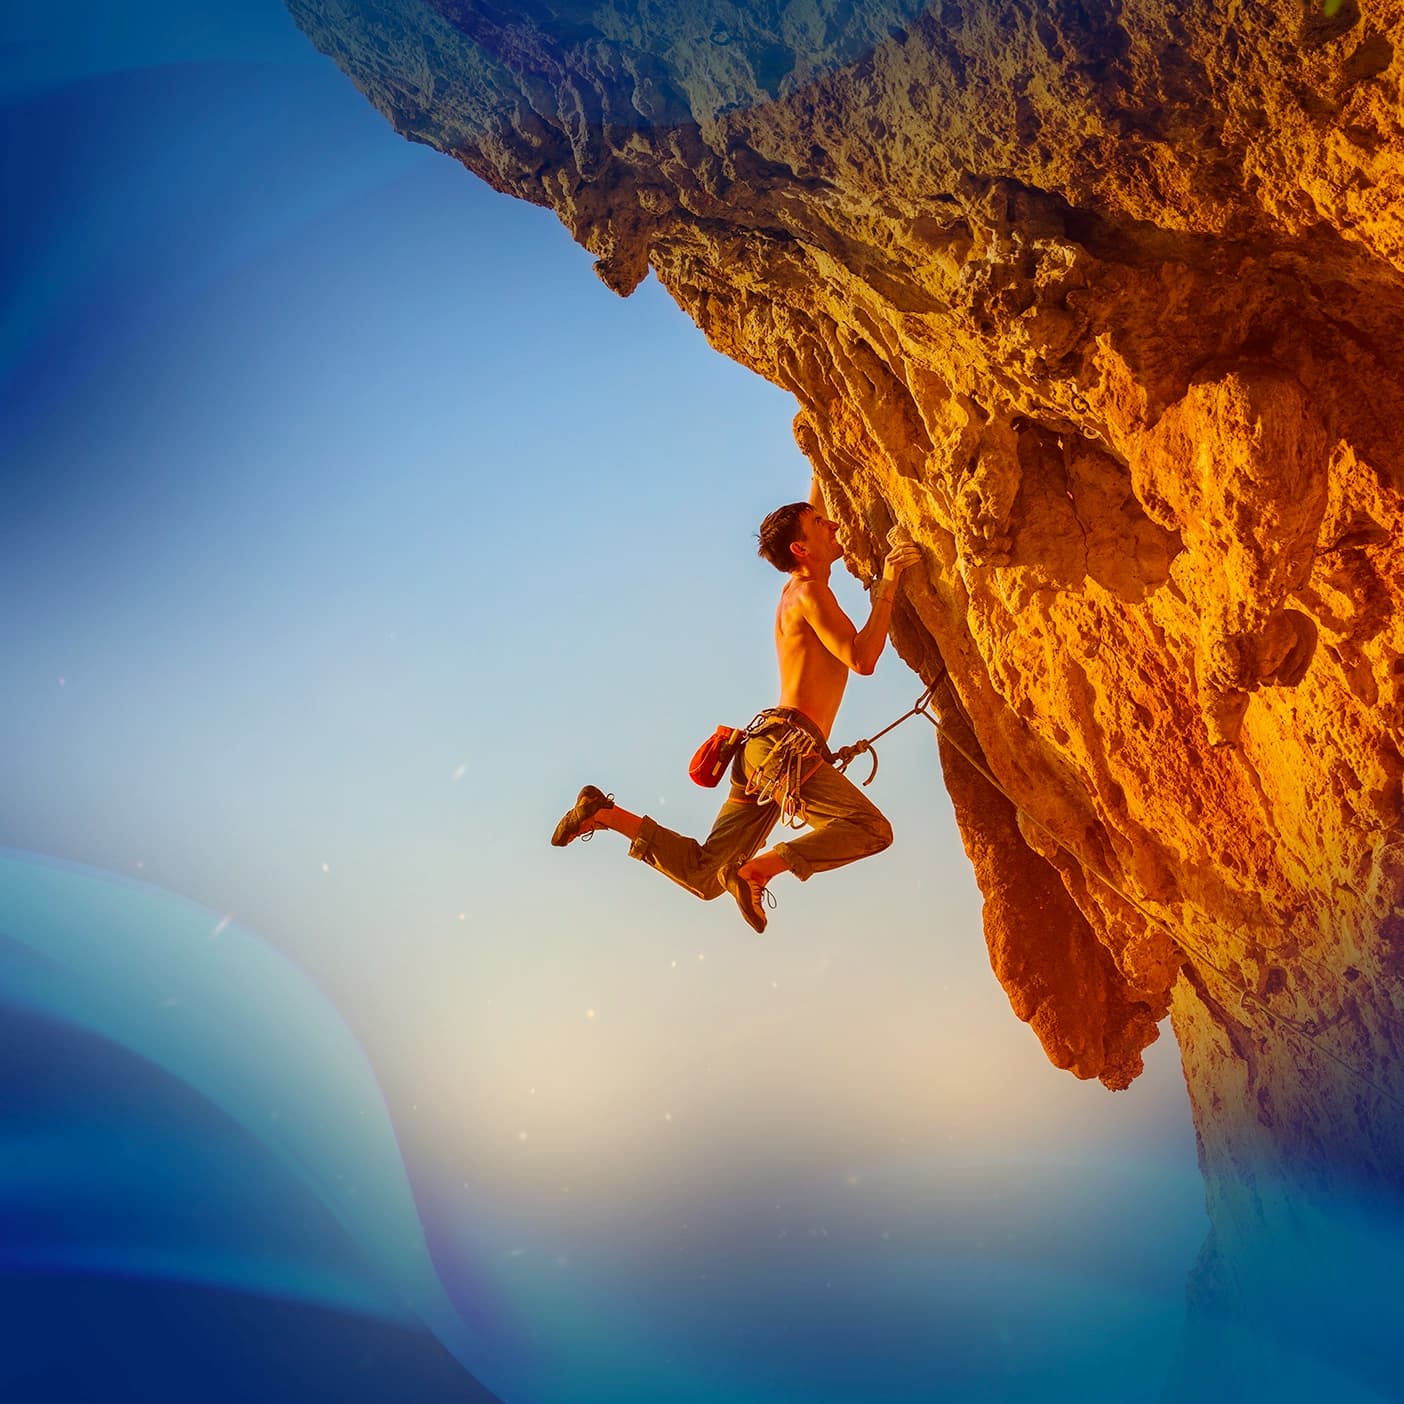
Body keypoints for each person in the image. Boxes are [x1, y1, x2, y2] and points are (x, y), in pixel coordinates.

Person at [550, 489, 921, 931]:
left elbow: (812, 502)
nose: (834, 525)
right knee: (870, 829)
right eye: (822, 525)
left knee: (706, 877)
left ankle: (604, 813)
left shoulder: (796, 588)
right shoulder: (807, 594)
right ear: (800, 549)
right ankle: (757, 871)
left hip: (764, 751)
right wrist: (889, 584)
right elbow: (861, 659)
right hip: (785, 748)